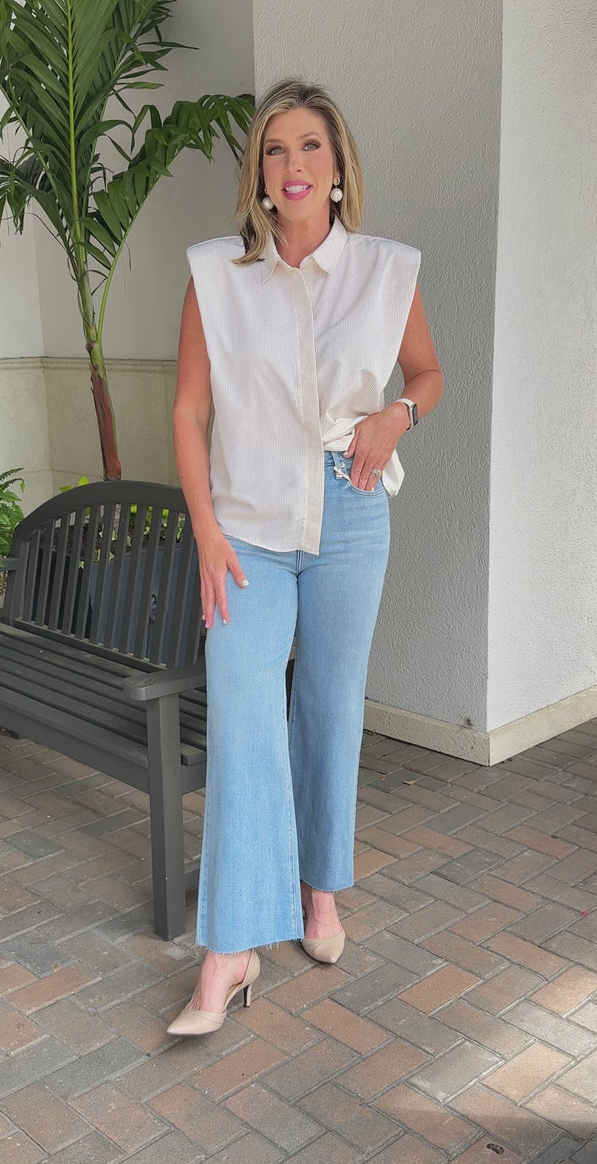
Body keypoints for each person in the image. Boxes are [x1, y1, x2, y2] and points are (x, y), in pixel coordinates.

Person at [168, 77, 443, 1036]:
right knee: (245, 716)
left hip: (350, 510)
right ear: (259, 172)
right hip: (244, 525)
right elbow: (189, 411)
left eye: (310, 147)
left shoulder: (385, 270)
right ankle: (231, 948)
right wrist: (205, 529)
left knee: (330, 702)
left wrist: (397, 416)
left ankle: (319, 889)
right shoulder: (216, 274)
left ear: (337, 168)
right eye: (275, 148)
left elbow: (428, 373)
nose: (293, 164)